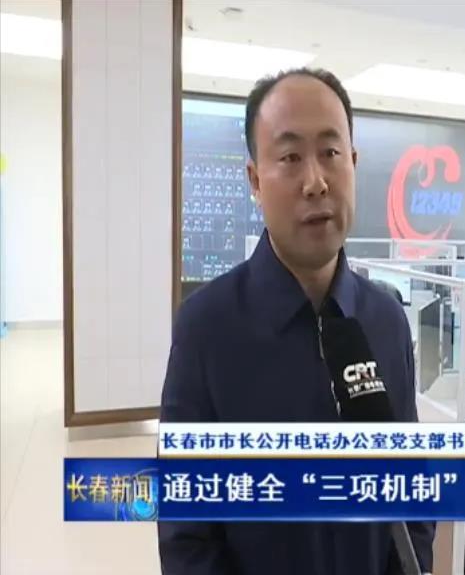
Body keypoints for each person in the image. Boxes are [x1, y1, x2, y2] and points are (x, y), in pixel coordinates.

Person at [158, 68, 434, 575]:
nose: (315, 181)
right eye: (289, 157)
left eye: (330, 152)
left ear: (353, 164)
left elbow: (411, 490)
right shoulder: (207, 328)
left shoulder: (387, 321)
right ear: (254, 180)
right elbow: (187, 532)